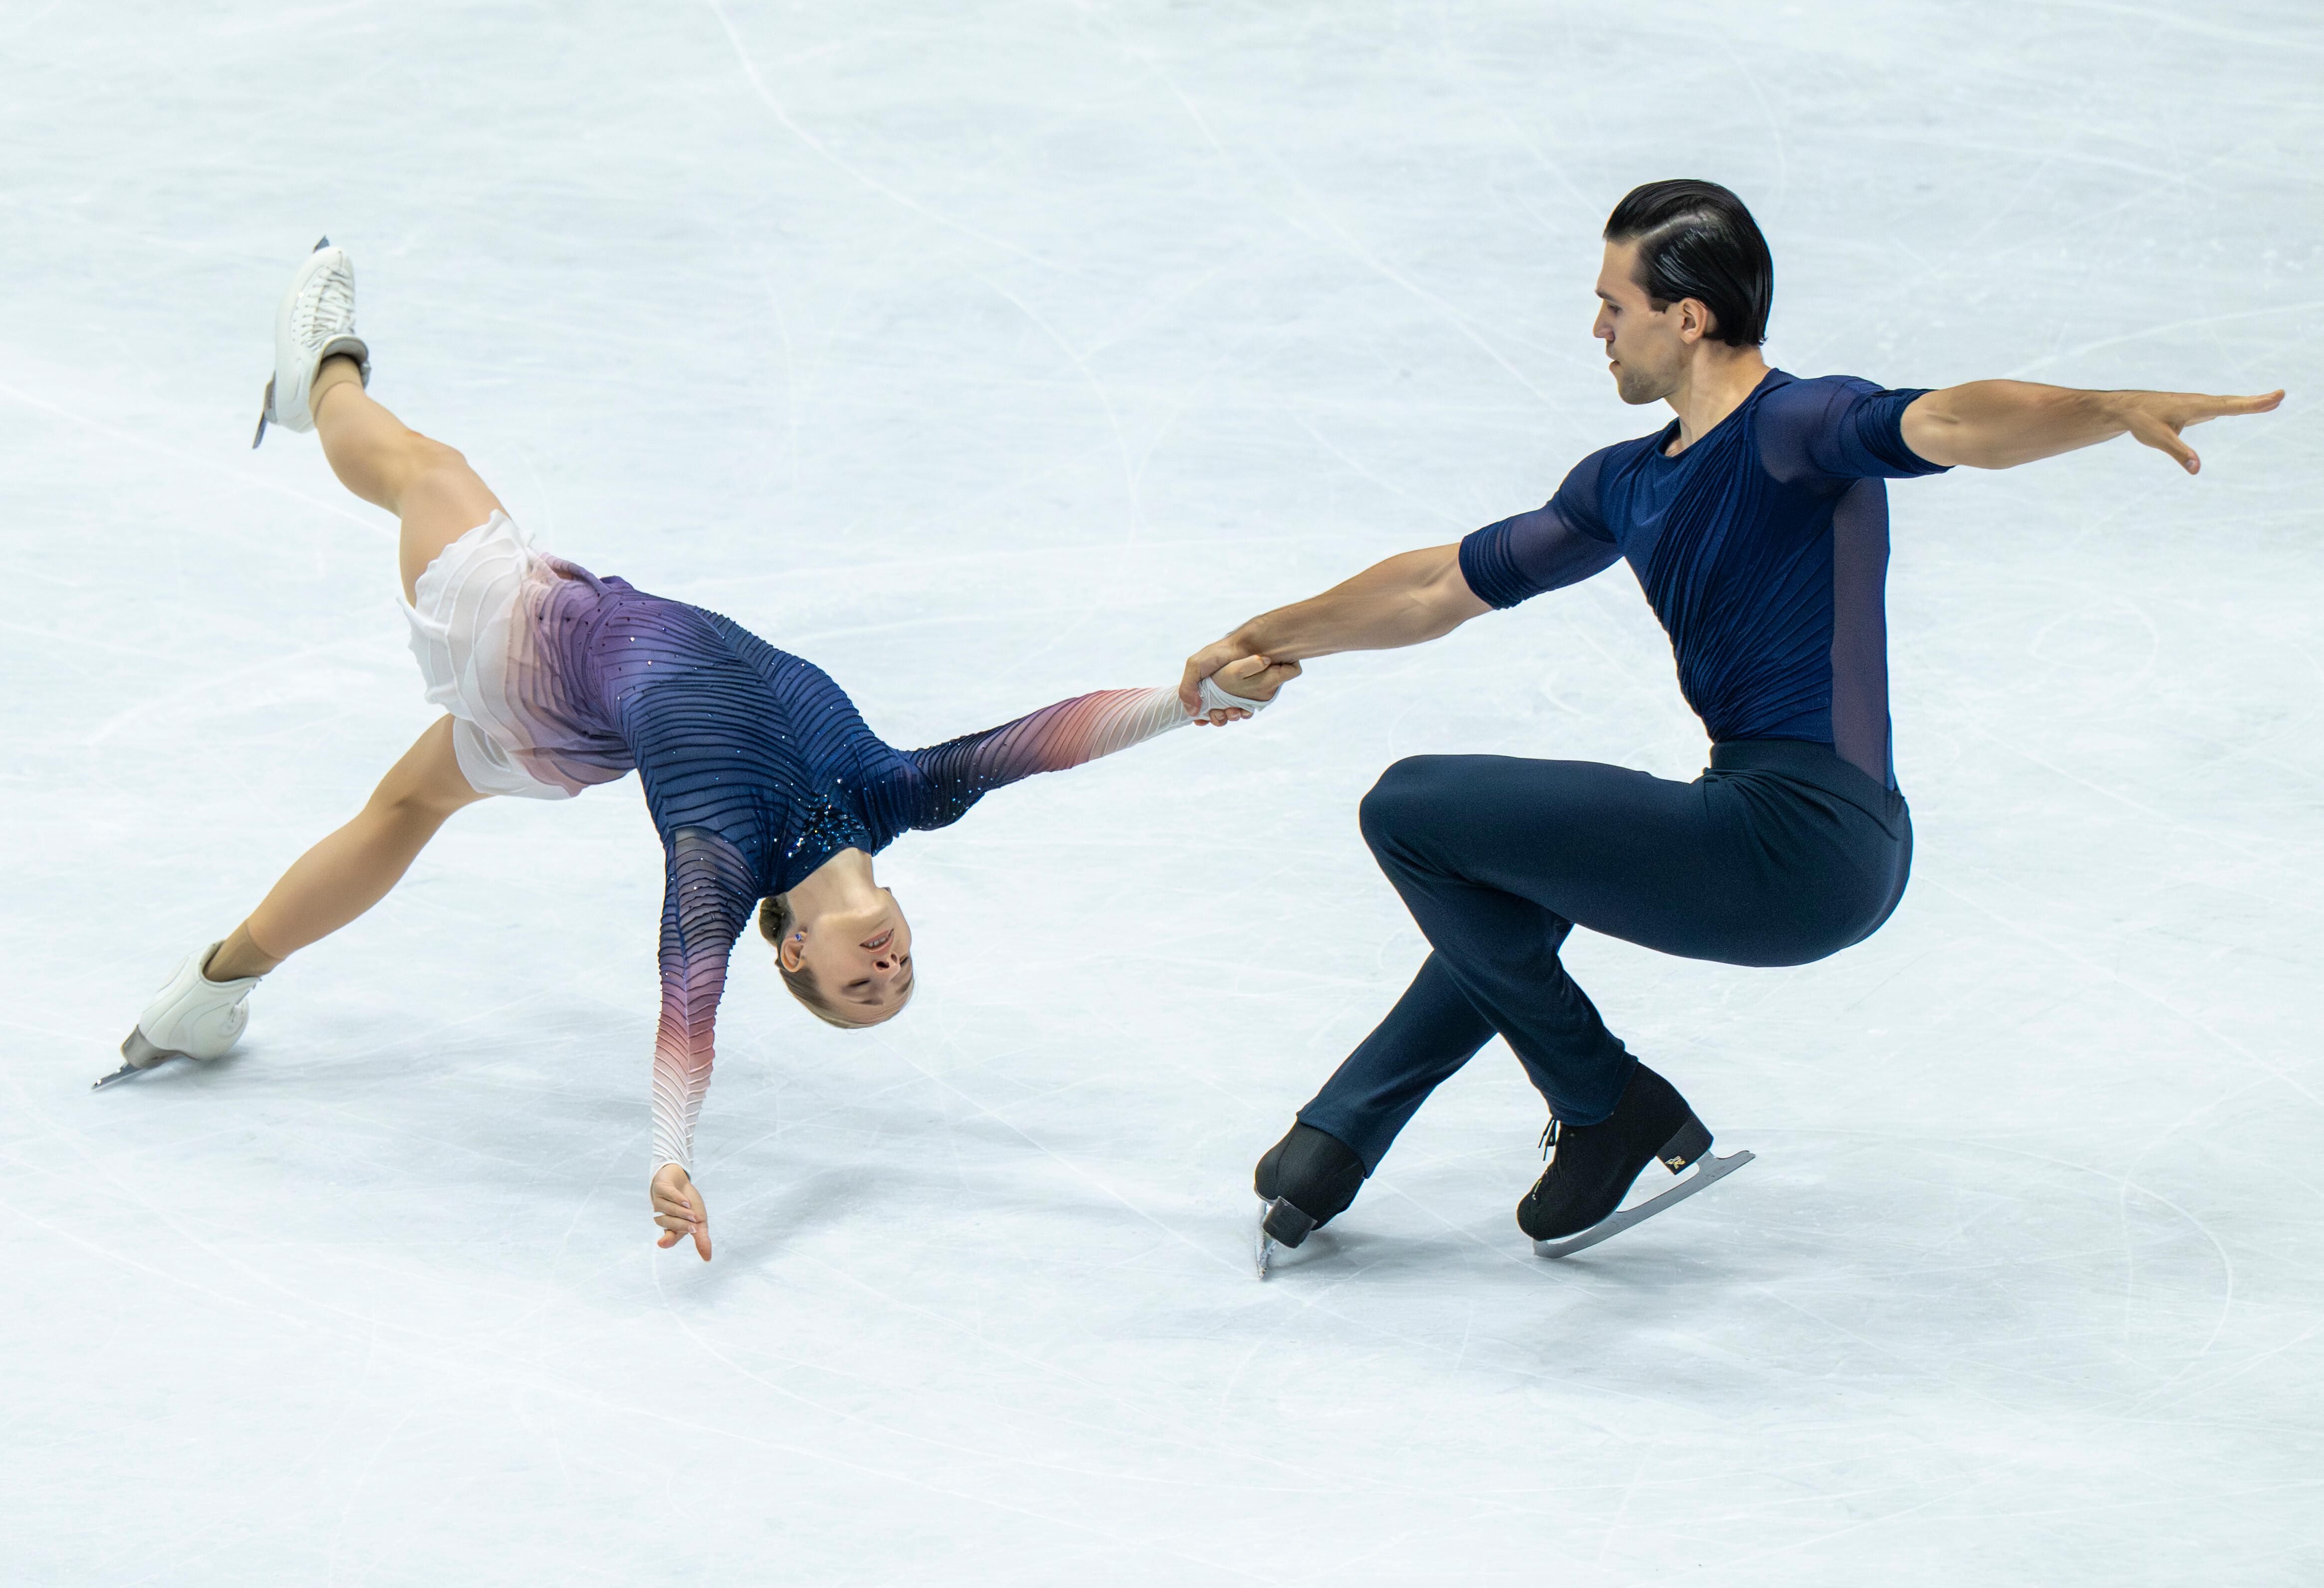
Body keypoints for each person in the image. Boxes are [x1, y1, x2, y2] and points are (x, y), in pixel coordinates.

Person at [109, 241, 1297, 1263]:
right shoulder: (890, 799)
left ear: (795, 961)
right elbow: (1039, 744)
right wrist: (1182, 704)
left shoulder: (722, 857)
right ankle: (210, 990)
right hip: (570, 731)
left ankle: (319, 375)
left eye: (857, 986)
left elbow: (687, 1000)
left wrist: (670, 1154)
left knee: (427, 469)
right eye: (898, 976)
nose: (883, 966)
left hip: (523, 639)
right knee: (404, 808)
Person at [1177, 179, 2282, 1263]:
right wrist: (1263, 636)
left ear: (1686, 317)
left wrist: (2098, 409)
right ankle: (1335, 1139)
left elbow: (1950, 419)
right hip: (1779, 837)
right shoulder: (1622, 483)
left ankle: (1605, 1099)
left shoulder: (1797, 426)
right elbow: (1435, 587)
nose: (1596, 327)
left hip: (1802, 842)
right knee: (1506, 864)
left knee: (1411, 807)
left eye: (1614, 304)